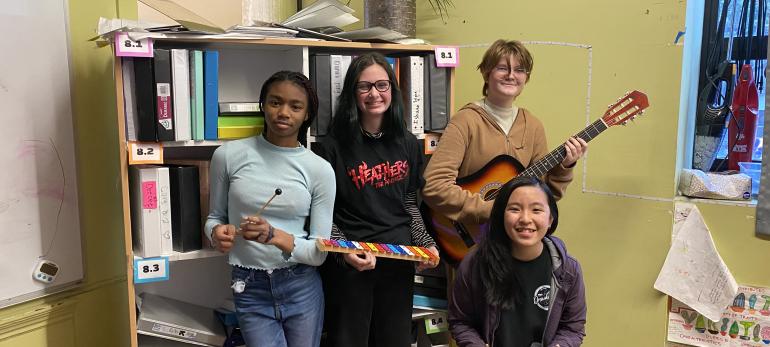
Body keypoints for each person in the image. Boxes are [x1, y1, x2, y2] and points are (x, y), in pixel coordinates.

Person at [314, 52, 438, 347]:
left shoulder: (407, 142)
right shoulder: (332, 147)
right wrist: (343, 252)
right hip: (353, 264)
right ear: (352, 93)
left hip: (398, 260)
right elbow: (322, 213)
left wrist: (425, 242)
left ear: (392, 92)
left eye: (382, 86)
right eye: (364, 86)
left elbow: (409, 202)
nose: (374, 94)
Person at [206, 70, 336, 347]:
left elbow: (319, 252)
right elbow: (214, 218)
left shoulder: (320, 170)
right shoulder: (227, 156)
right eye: (275, 102)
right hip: (248, 285)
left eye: (295, 106)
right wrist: (217, 232)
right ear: (262, 105)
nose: (284, 112)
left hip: (300, 284)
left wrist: (274, 235)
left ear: (307, 114)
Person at [422, 39, 589, 227]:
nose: (511, 75)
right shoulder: (466, 120)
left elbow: (544, 196)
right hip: (465, 235)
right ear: (486, 73)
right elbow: (434, 185)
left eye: (519, 70)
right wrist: (490, 210)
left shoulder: (533, 126)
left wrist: (564, 167)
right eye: (502, 68)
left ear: (526, 78)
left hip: (513, 235)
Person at [448, 176, 587, 347]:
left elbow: (572, 328)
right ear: (501, 215)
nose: (525, 219)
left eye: (536, 210)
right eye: (515, 209)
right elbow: (460, 321)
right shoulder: (475, 263)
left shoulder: (568, 270)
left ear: (550, 219)